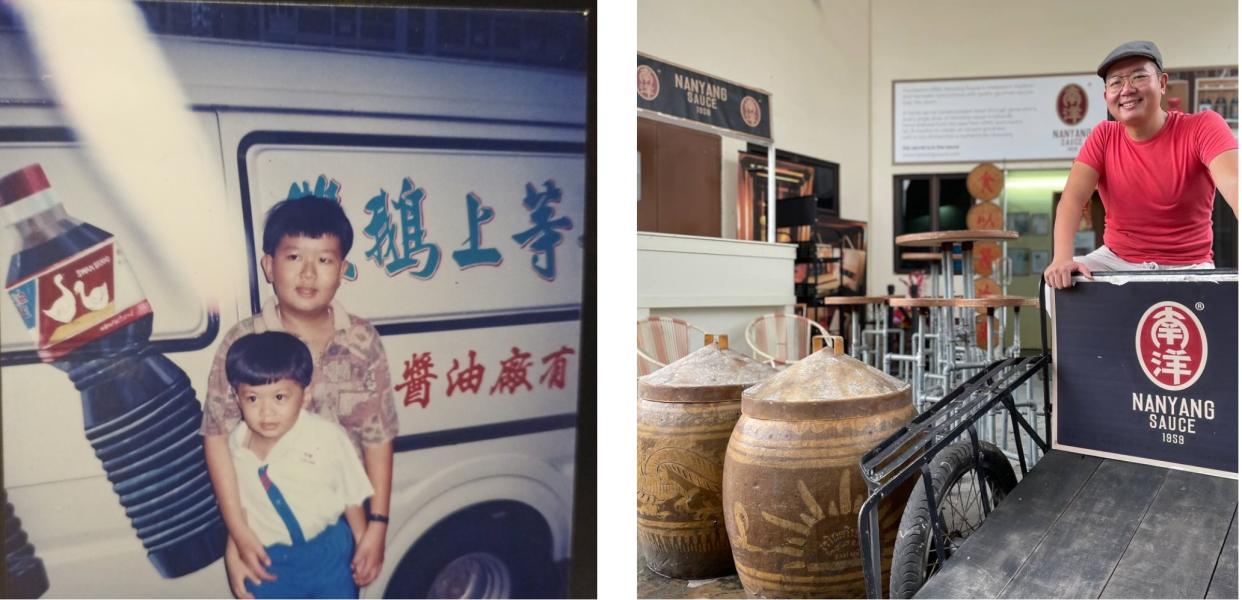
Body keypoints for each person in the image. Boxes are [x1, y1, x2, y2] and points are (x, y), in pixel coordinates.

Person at [200, 197, 399, 598]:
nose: (308, 273)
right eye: (294, 257)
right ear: (269, 266)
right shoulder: (243, 342)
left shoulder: (362, 341)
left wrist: (376, 526)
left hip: (337, 531)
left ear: (342, 270)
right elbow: (217, 436)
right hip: (265, 536)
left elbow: (379, 437)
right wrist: (237, 534)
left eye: (324, 260)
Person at [1043, 40, 1238, 290]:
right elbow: (1071, 200)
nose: (1126, 89)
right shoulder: (1103, 136)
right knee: (1056, 286)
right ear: (1106, 96)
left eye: (1138, 77)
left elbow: (1234, 183)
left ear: (1163, 83)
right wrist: (1061, 259)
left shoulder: (1202, 126)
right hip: (1117, 261)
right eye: (1116, 82)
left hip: (1189, 265)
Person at [222, 331, 375, 598]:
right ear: (237, 398)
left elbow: (350, 494)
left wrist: (364, 543)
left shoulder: (325, 436)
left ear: (305, 396)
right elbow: (239, 509)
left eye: (279, 397)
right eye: (253, 399)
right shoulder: (234, 448)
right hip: (268, 562)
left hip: (328, 554)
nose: (266, 412)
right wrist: (233, 557)